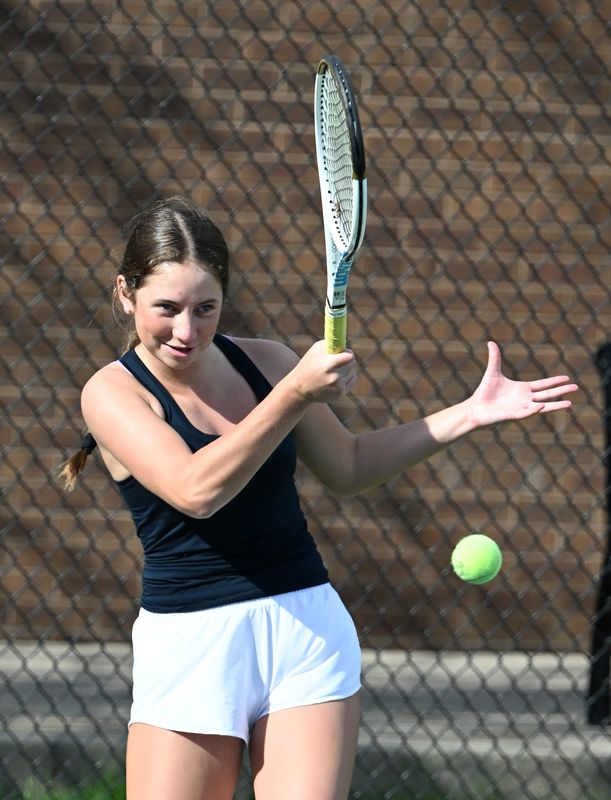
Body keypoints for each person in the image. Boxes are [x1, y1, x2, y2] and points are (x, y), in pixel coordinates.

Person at [59, 196, 578, 800]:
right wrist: (296, 394)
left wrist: (468, 413)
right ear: (126, 294)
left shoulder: (269, 362)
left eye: (206, 308)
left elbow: (349, 466)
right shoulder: (112, 392)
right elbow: (196, 490)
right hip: (190, 641)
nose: (186, 330)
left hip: (304, 625)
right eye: (166, 309)